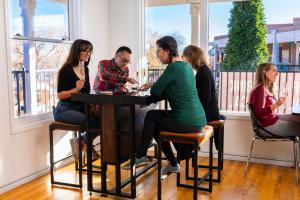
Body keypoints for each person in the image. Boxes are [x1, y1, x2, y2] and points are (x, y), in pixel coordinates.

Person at [124, 36, 207, 174]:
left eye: (159, 51)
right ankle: (171, 163)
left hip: (187, 121)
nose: (157, 54)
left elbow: (156, 92)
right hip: (198, 119)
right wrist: (154, 84)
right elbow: (172, 86)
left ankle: (141, 156)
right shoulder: (185, 66)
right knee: (155, 124)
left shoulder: (173, 67)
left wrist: (153, 85)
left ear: (168, 51)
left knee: (151, 116)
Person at [53, 39, 99, 162]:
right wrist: (75, 89)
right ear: (76, 51)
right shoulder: (65, 70)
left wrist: (91, 106)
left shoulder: (86, 69)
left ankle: (81, 141)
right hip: (64, 109)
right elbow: (60, 95)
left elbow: (85, 93)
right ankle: (85, 143)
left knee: (103, 120)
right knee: (90, 122)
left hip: (81, 108)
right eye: (84, 50)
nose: (87, 53)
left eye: (89, 51)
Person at [182, 45, 222, 150]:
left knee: (181, 120)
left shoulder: (203, 72)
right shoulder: (203, 71)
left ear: (192, 57)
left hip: (209, 113)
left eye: (186, 58)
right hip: (209, 110)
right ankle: (190, 147)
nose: (186, 62)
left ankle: (191, 147)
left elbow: (205, 99)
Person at [248, 63, 300, 137]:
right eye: (274, 71)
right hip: (266, 126)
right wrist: (276, 104)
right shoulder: (260, 89)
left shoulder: (264, 88)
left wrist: (277, 104)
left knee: (297, 118)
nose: (277, 73)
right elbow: (259, 113)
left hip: (272, 119)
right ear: (264, 72)